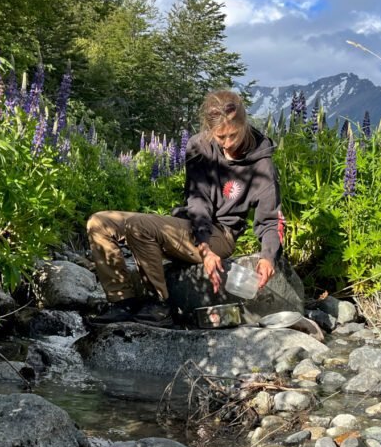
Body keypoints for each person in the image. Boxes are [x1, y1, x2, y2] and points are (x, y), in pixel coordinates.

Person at [87, 90, 284, 326]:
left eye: (234, 135)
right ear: (210, 131)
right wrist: (204, 248)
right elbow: (197, 200)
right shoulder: (198, 146)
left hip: (221, 234)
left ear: (244, 124)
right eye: (221, 137)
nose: (228, 144)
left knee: (138, 226)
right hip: (194, 225)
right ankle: (122, 302)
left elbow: (270, 219)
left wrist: (268, 257)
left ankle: (158, 304)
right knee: (98, 222)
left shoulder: (261, 163)